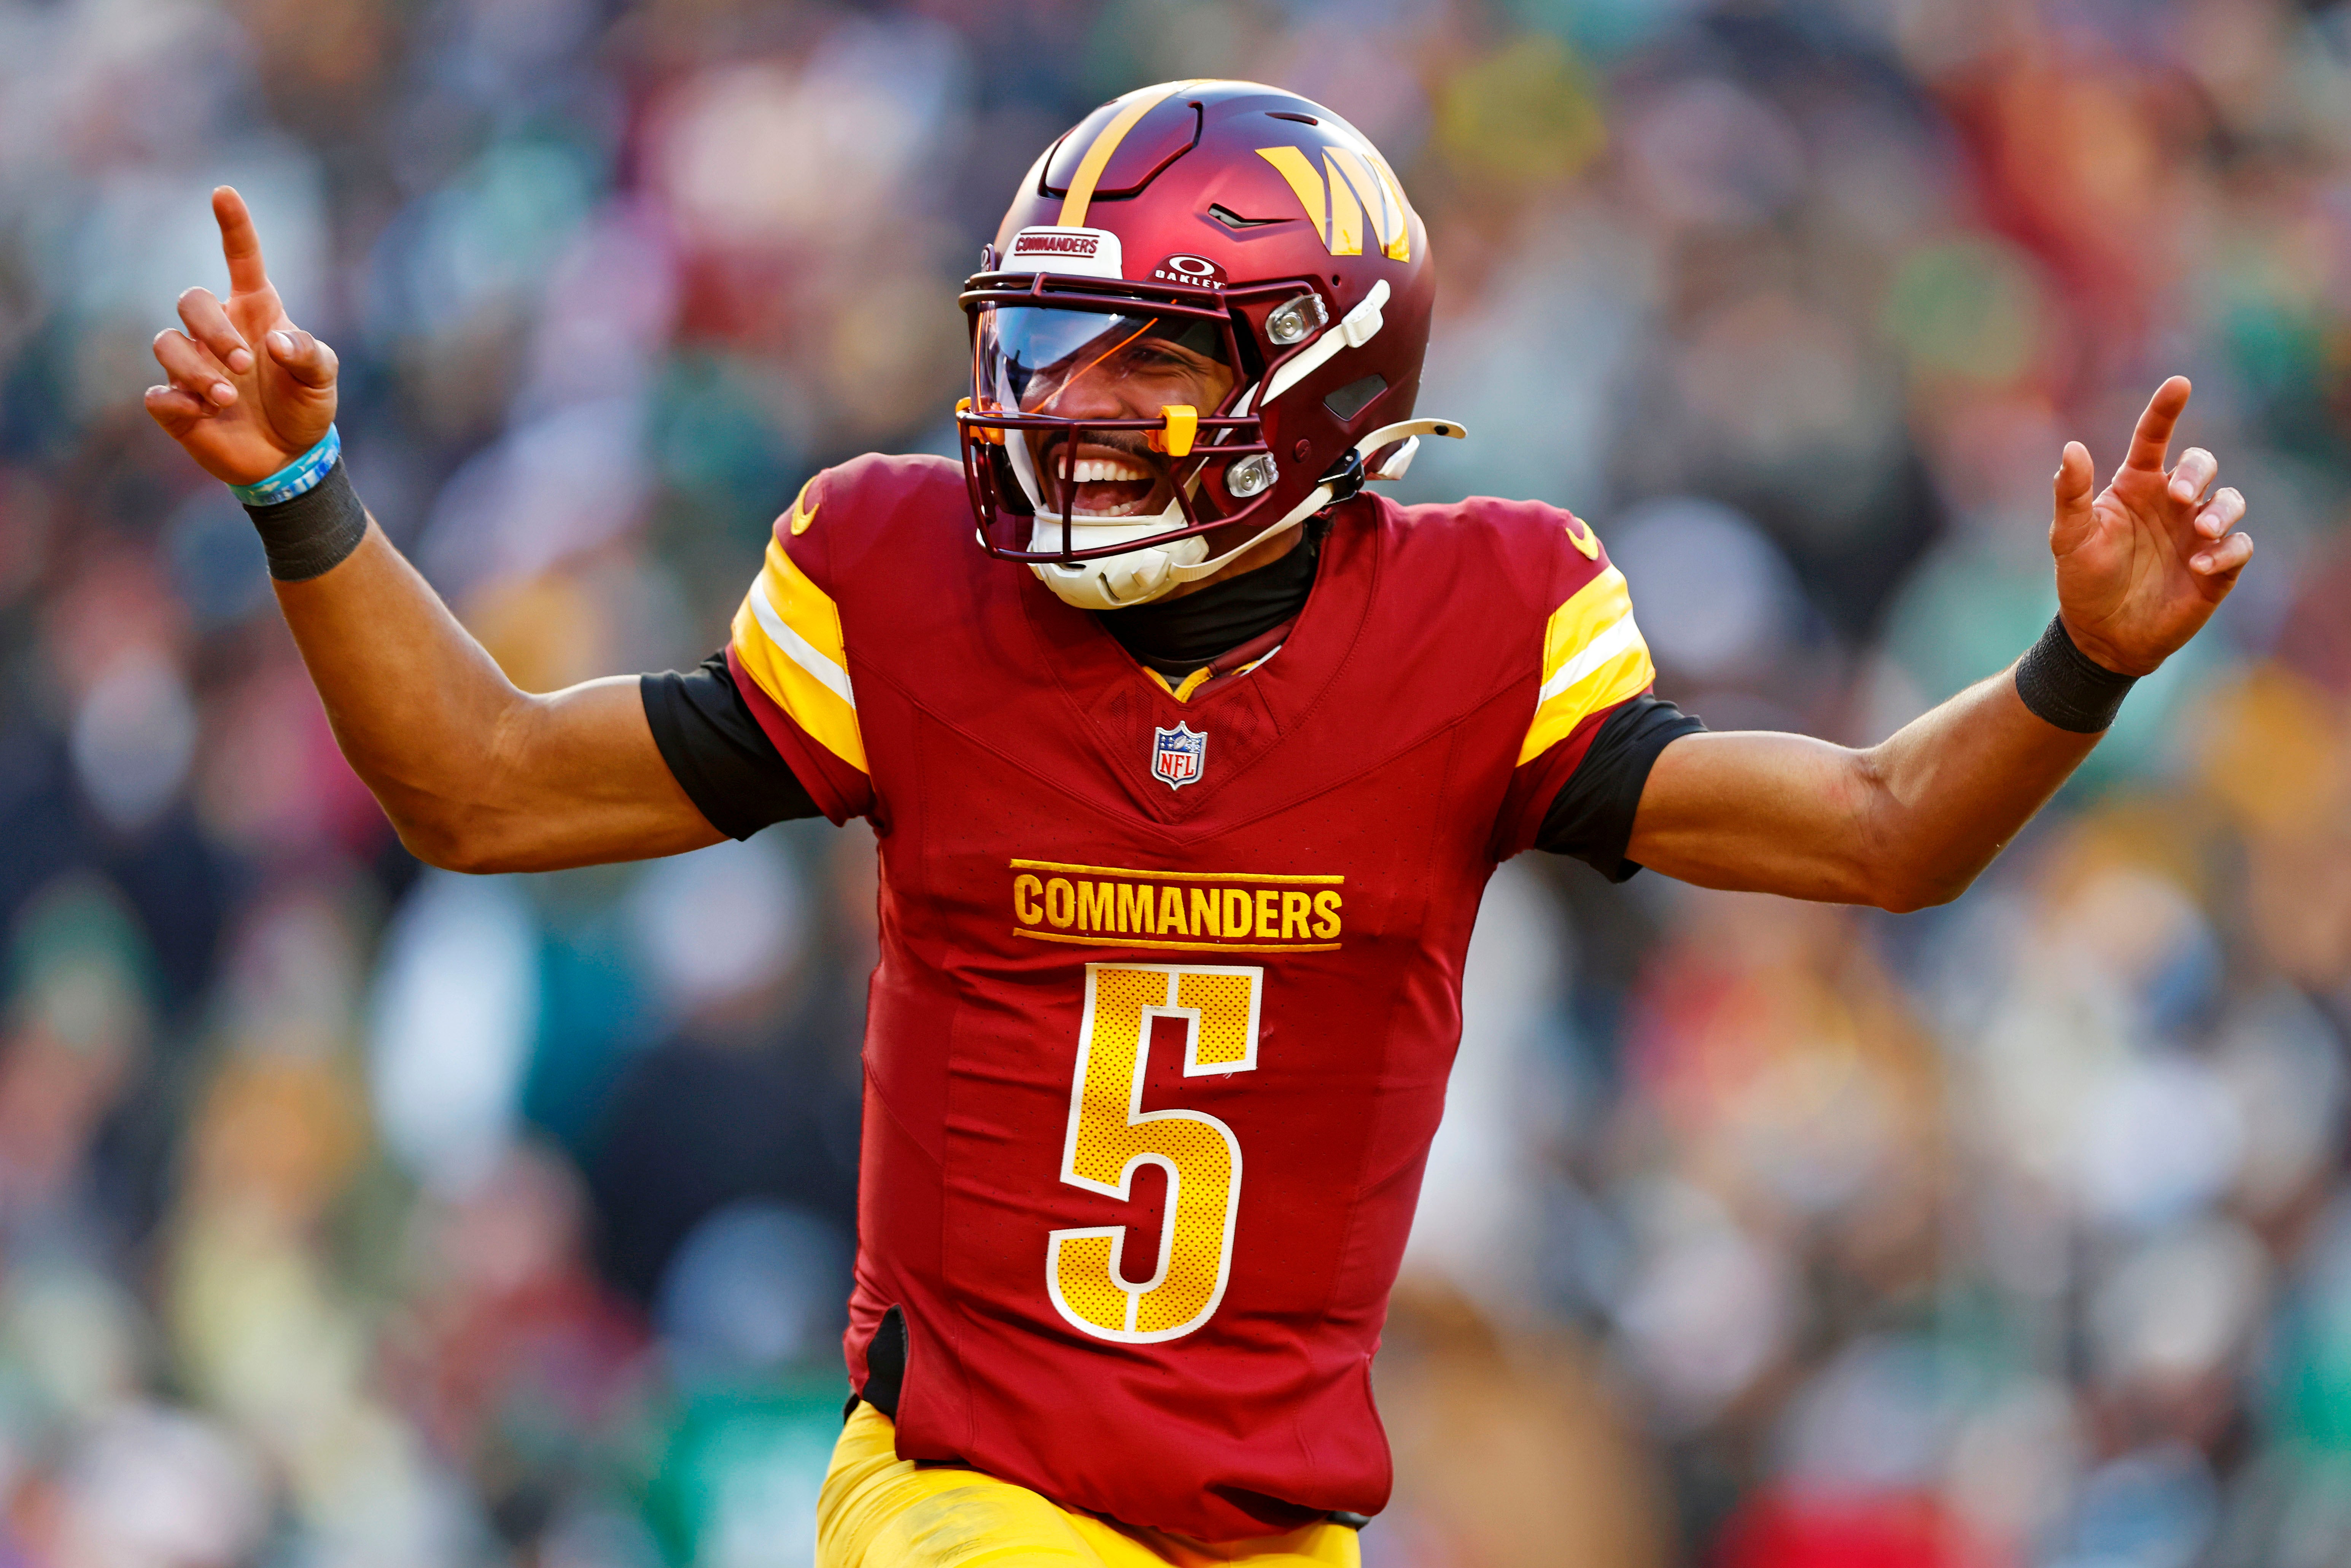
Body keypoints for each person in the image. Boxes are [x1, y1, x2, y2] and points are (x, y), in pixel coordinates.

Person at [146, 80, 2250, 1568]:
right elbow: (486, 788)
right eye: (1044, 344)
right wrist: (299, 496)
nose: (1058, 405)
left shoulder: (1478, 629)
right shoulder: (905, 585)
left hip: (1266, 1533)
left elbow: (1883, 834)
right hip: (963, 1499)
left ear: (1320, 388)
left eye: (1136, 361)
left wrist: (2077, 664)